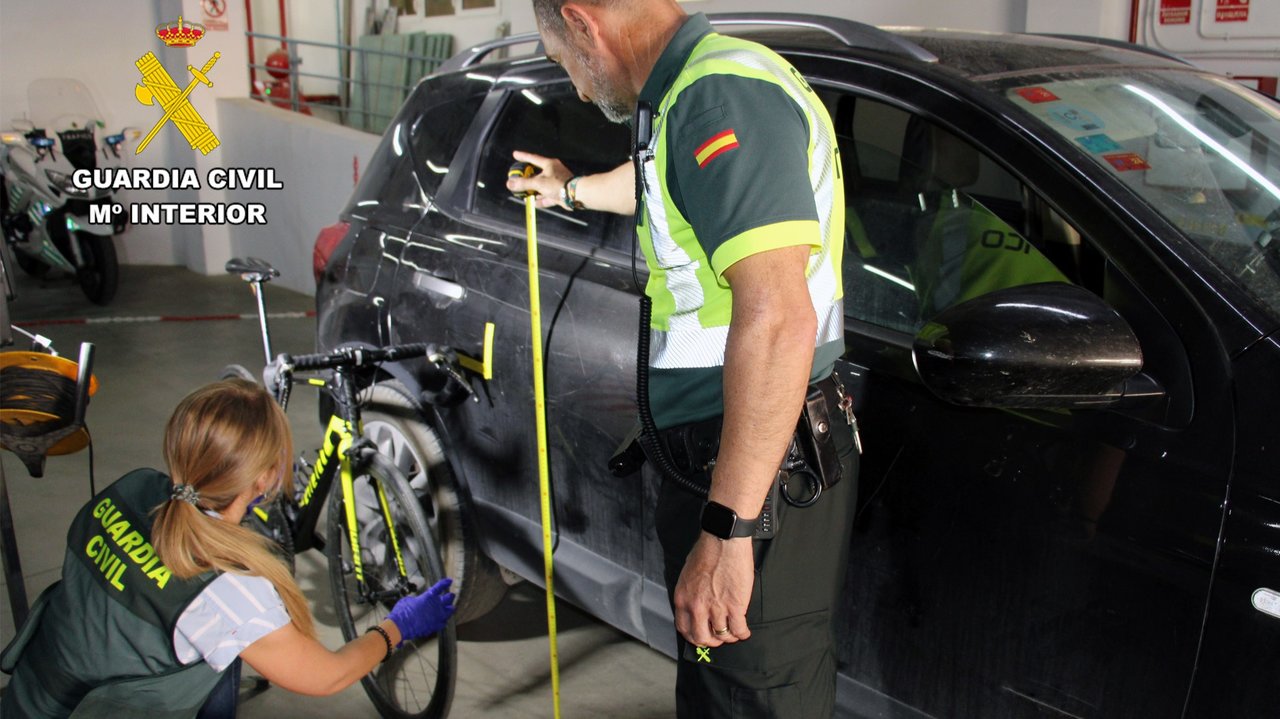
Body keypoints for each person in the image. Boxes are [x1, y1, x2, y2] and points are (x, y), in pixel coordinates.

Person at [507, 2, 856, 716]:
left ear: (582, 22)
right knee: (719, 683)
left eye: (560, 59)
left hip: (756, 467)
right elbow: (669, 186)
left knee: (754, 694)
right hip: (737, 455)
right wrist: (568, 188)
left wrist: (730, 531)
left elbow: (780, 317)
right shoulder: (689, 93)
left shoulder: (717, 95)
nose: (573, 85)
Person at [0, 379, 455, 718]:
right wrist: (396, 627)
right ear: (261, 481)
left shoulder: (132, 487)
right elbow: (325, 675)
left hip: (33, 693)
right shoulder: (228, 593)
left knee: (226, 657)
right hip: (86, 711)